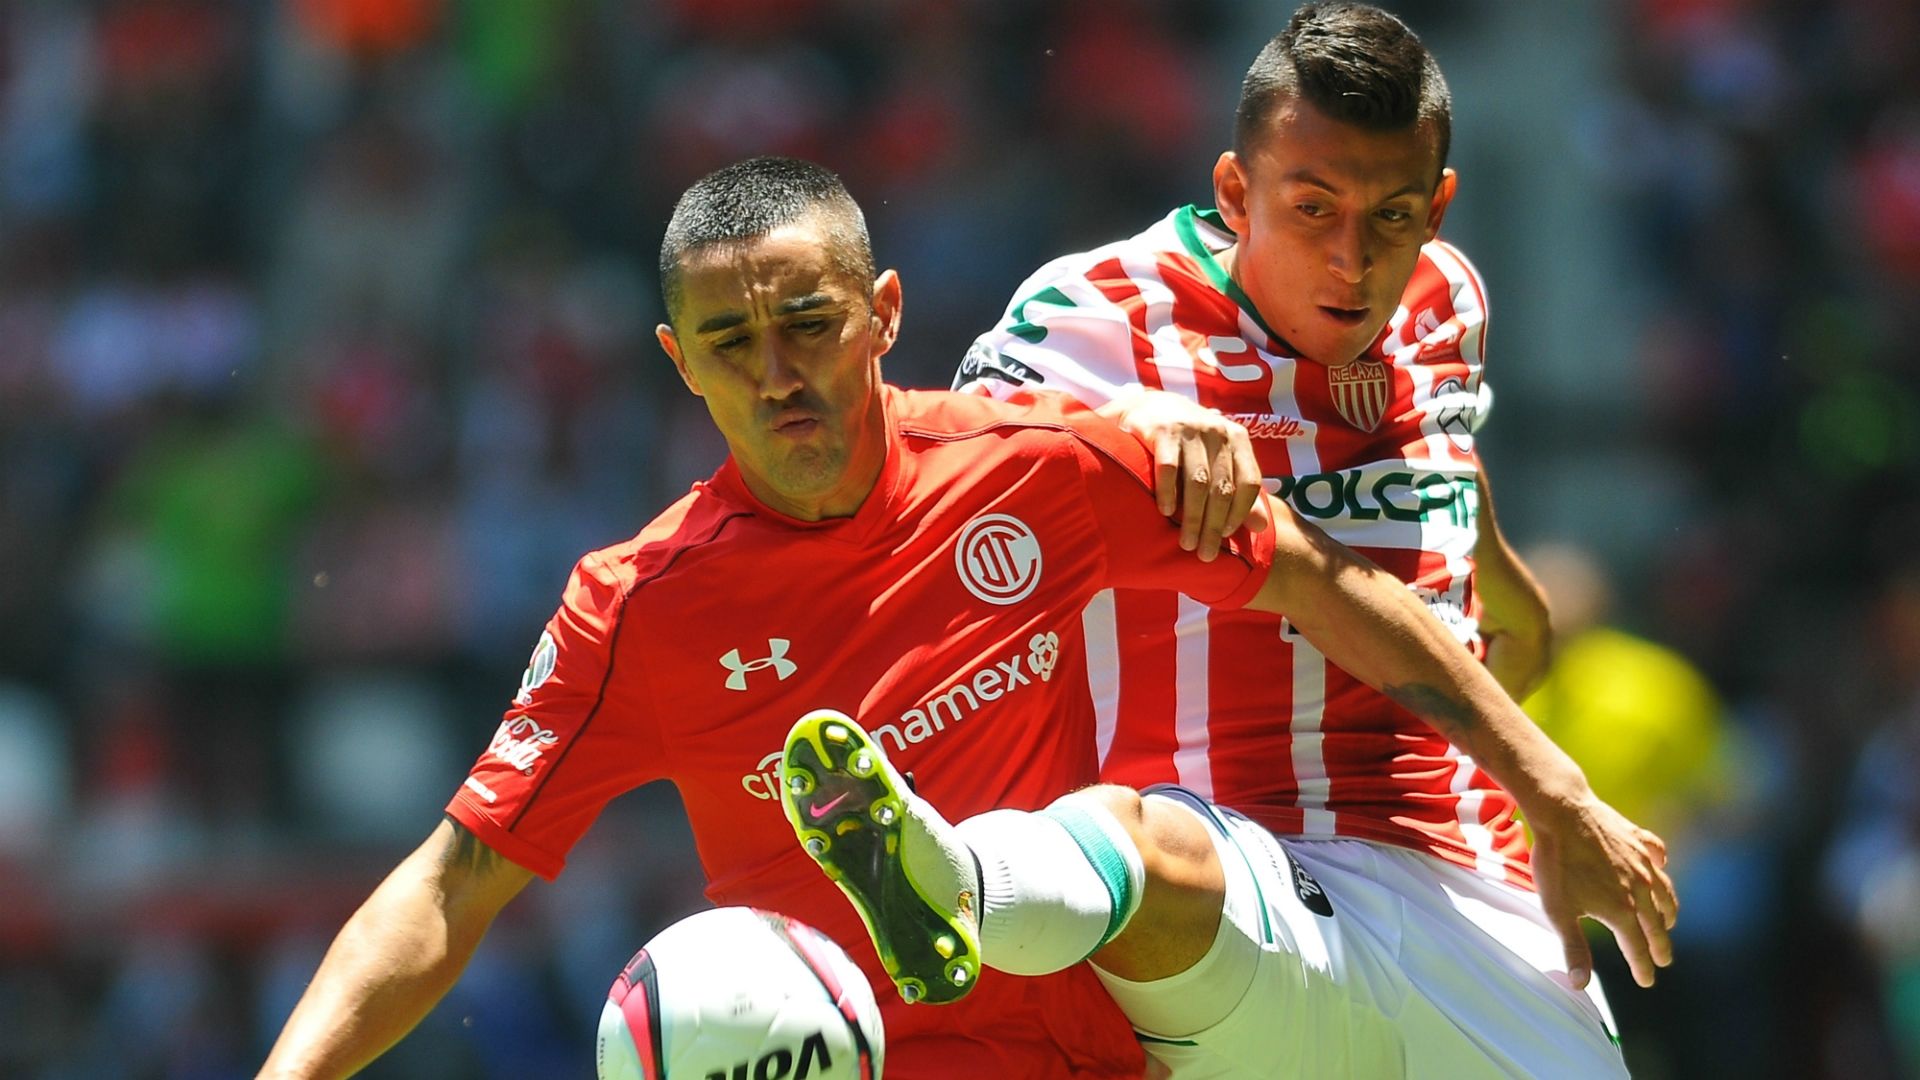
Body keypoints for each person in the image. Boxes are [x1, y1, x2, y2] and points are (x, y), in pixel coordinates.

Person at [260, 155, 1664, 1079]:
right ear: (680, 363)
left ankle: (974, 883)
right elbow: (454, 886)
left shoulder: (1036, 468)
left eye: (807, 321)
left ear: (881, 311)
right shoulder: (638, 606)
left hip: (1122, 1047)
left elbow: (1331, 587)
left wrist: (1549, 786)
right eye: (733, 345)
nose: (778, 374)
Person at [933, 3, 1673, 1075]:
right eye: (1313, 208)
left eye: (1391, 216)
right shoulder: (1094, 316)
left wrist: (1511, 599)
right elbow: (940, 472)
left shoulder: (1449, 302)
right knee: (1155, 854)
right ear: (1237, 193)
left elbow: (1441, 471)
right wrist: (1117, 429)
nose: (1352, 259)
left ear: (1439, 208)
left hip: (1473, 888)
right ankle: (958, 884)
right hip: (1246, 872)